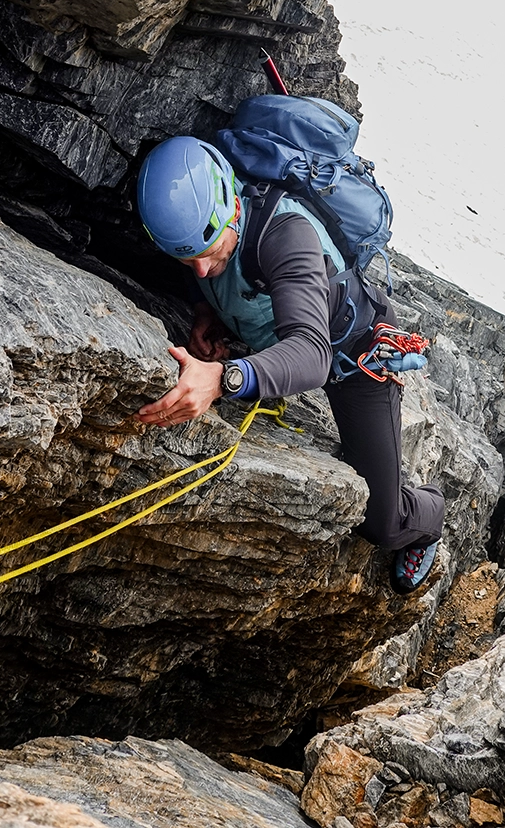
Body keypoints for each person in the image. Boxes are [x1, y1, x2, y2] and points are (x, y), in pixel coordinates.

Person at [135, 135, 447, 594]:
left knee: (380, 523)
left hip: (354, 355)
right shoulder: (205, 226)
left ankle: (431, 512)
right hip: (291, 335)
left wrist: (224, 378)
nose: (199, 270)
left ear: (232, 208)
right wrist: (207, 314)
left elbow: (312, 354)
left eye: (207, 250)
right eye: (186, 258)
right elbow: (212, 277)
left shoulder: (287, 235)